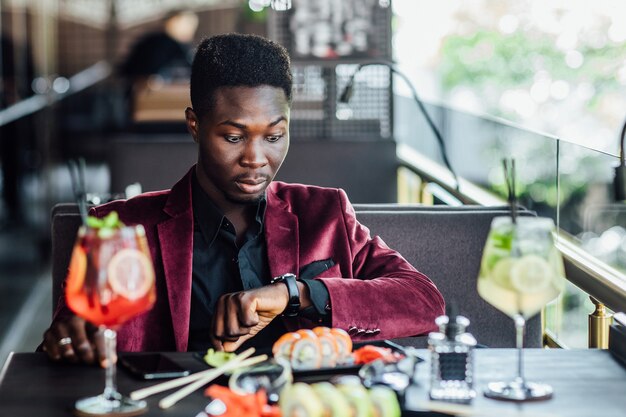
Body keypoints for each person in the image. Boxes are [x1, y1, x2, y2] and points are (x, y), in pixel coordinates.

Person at [42, 33, 444, 366]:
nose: (256, 158)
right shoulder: (124, 229)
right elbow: (69, 334)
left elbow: (424, 300)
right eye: (233, 137)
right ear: (195, 126)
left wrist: (296, 293)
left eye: (273, 136)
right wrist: (73, 338)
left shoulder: (325, 212)